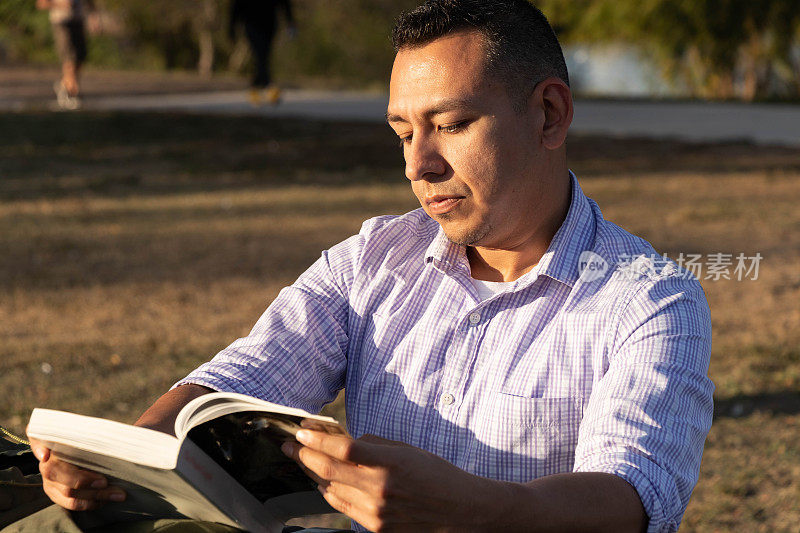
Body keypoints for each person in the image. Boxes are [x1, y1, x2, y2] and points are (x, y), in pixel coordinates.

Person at [25, 1, 714, 532]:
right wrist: (124, 455)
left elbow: (631, 495)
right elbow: (241, 377)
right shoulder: (372, 262)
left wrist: (474, 510)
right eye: (403, 134)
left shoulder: (650, 300)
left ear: (550, 113)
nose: (419, 165)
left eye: (449, 124)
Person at [229, 0, 296, 106]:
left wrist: (290, 22)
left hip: (269, 24)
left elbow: (284, 3)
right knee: (260, 54)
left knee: (264, 55)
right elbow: (236, 5)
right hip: (252, 24)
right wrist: (232, 26)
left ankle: (254, 88)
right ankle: (269, 87)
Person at [36, 0, 97, 110]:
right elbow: (41, 3)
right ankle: (72, 93)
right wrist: (60, 5)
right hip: (61, 21)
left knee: (81, 57)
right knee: (70, 58)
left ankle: (65, 86)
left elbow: (90, 3)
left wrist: (94, 17)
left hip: (78, 20)